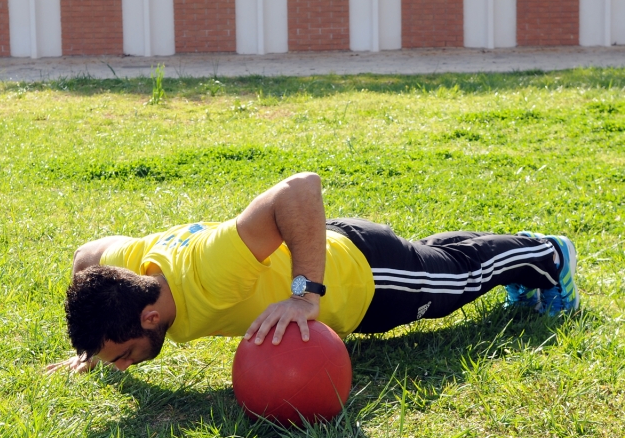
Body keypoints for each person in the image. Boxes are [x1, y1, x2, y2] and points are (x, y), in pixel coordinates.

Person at [46, 172, 579, 375]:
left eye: (123, 355)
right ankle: (521, 252)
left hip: (366, 280)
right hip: (331, 243)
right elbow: (86, 255)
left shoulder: (209, 270)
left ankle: (551, 257)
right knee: (437, 257)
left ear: (150, 314)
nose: (122, 367)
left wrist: (305, 297)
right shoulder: (133, 265)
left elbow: (299, 189)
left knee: (458, 279)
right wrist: (94, 346)